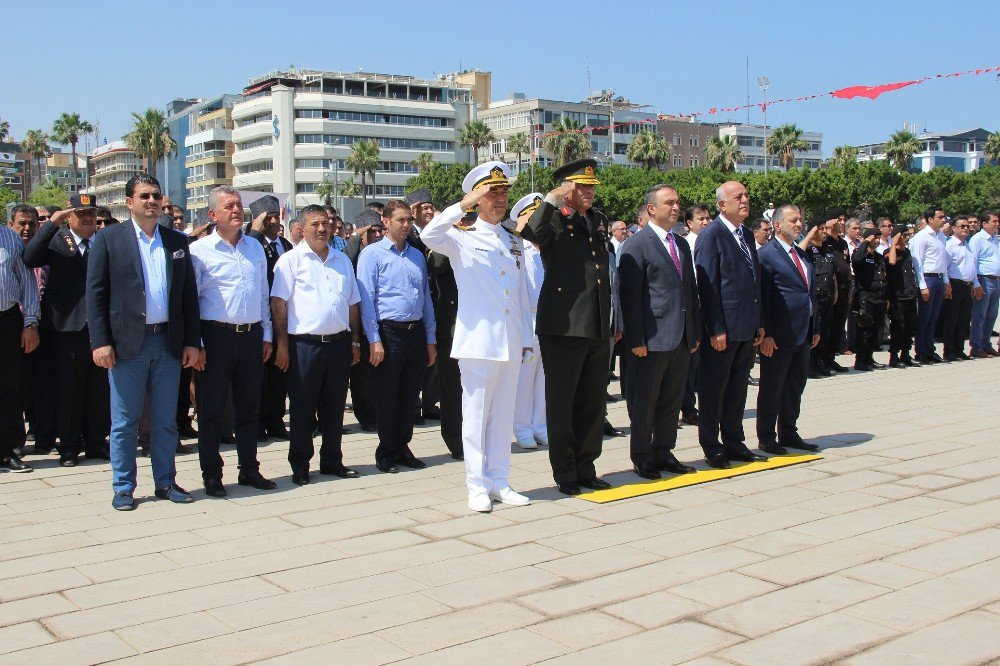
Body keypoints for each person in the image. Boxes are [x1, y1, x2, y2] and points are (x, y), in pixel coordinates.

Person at [421, 163, 533, 512]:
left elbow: (521, 294)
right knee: (476, 415)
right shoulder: (460, 235)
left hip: (511, 340)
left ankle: (499, 480)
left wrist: (526, 337)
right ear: (478, 197)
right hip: (478, 342)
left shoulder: (513, 239)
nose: (499, 198)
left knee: (502, 416)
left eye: (503, 191)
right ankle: (476, 485)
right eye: (492, 191)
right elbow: (428, 236)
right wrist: (463, 204)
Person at [86, 174, 201, 510]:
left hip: (167, 342)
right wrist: (100, 341)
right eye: (145, 196)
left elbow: (188, 297)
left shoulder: (176, 241)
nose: (152, 201)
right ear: (129, 202)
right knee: (125, 422)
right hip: (126, 346)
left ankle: (166, 482)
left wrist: (191, 341)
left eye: (156, 196)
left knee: (166, 421)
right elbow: (95, 294)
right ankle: (123, 486)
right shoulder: (108, 239)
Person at [520, 158, 613, 496]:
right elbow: (531, 233)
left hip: (598, 323)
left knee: (592, 403)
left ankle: (587, 466)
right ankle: (566, 472)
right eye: (581, 187)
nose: (588, 192)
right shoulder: (554, 219)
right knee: (562, 403)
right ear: (567, 188)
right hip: (563, 325)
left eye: (591, 186)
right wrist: (551, 198)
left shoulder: (597, 219)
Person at [189, 186, 277, 497]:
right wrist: (197, 343)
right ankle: (212, 474)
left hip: (251, 336)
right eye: (229, 206)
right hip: (215, 337)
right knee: (212, 410)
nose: (237, 210)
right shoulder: (200, 251)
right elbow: (193, 302)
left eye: (239, 204)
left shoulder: (254, 249)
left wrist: (266, 334)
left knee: (249, 408)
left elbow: (263, 296)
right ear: (213, 215)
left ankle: (249, 469)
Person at [270, 205, 361, 485]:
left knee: (334, 406)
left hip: (338, 343)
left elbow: (353, 303)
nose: (322, 229)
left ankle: (332, 461)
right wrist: (282, 344)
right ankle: (300, 465)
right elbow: (278, 305)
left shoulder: (342, 260)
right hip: (304, 346)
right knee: (302, 408)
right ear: (301, 228)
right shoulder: (290, 261)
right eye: (315, 224)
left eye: (326, 223)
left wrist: (355, 340)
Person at [618, 184, 700, 480]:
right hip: (651, 339)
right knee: (645, 400)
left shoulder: (681, 244)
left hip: (680, 337)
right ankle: (642, 455)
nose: (676, 208)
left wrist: (694, 332)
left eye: (678, 202)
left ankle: (664, 450)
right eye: (669, 203)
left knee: (671, 399)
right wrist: (636, 339)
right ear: (651, 209)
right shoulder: (637, 244)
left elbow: (688, 291)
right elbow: (630, 295)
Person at [22, 194, 110, 466]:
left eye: (91, 213)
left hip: (99, 327)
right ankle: (69, 447)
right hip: (65, 328)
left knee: (98, 391)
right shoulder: (58, 240)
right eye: (80, 213)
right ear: (69, 216)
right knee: (68, 391)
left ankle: (96, 443)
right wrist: (52, 223)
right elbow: (30, 257)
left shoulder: (104, 240)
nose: (87, 218)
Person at [356, 200, 436, 474]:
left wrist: (430, 338)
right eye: (401, 220)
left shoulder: (416, 255)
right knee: (386, 395)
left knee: (409, 395)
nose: (406, 225)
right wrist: (373, 339)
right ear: (386, 222)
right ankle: (386, 450)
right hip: (388, 333)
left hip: (415, 333)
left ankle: (402, 446)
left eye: (409, 220)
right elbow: (367, 299)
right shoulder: (372, 255)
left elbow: (425, 299)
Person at [693, 181, 767, 469]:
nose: (745, 200)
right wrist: (716, 327)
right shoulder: (711, 235)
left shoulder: (746, 235)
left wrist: (758, 321)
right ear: (722, 204)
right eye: (738, 197)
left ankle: (735, 441)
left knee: (738, 388)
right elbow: (707, 284)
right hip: (722, 328)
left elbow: (753, 280)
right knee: (714, 390)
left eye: (746, 195)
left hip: (745, 325)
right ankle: (712, 446)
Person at [756, 205, 821, 454]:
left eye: (800, 220)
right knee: (772, 387)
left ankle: (788, 431)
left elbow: (808, 291)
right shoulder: (766, 255)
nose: (799, 224)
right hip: (779, 335)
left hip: (803, 333)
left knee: (795, 385)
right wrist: (767, 333)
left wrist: (815, 326)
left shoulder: (800, 254)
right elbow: (763, 297)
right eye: (793, 220)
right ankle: (766, 436)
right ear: (777, 225)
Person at [246, 195, 292, 442]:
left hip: (282, 319)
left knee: (279, 375)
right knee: (259, 378)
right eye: (269, 217)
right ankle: (258, 423)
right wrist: (255, 229)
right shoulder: (251, 242)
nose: (274, 221)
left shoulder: (285, 244)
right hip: (260, 317)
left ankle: (275, 421)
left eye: (277, 215)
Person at [0, 206, 40, 473]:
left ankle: (7, 451)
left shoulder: (10, 238)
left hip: (6, 320)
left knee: (7, 389)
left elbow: (27, 283)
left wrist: (30, 323)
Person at [424, 201, 464, 460]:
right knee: (452, 390)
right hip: (450, 325)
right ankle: (456, 440)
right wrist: (450, 228)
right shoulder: (445, 241)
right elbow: (437, 264)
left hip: (475, 323)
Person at [510, 194, 548, 452]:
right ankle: (522, 428)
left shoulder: (547, 247)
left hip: (547, 319)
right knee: (524, 380)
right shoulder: (517, 250)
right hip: (526, 318)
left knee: (544, 379)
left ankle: (541, 426)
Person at [344, 209, 384, 432]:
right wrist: (357, 237)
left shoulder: (383, 252)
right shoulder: (353, 254)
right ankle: (366, 416)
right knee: (362, 377)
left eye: (380, 230)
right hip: (357, 324)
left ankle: (379, 413)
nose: (377, 235)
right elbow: (345, 260)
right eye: (372, 231)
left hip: (380, 323)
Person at [405, 188, 440, 425]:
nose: (428, 210)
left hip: (438, 300)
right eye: (423, 207)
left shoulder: (439, 232)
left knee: (434, 356)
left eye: (430, 206)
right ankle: (414, 405)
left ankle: (430, 402)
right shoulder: (410, 235)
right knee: (417, 359)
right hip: (417, 301)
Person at [909, 206, 952, 364]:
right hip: (928, 279)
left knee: (934, 318)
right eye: (940, 217)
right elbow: (917, 262)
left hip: (939, 278)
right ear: (930, 219)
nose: (943, 220)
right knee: (925, 318)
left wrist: (946, 281)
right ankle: (921, 351)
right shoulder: (922, 237)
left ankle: (929, 349)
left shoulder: (941, 236)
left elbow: (943, 261)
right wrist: (922, 285)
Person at [799, 220, 838, 378]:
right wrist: (809, 235)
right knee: (813, 334)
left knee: (825, 333)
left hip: (828, 297)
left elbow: (832, 272)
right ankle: (810, 366)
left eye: (826, 229)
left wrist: (835, 291)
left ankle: (820, 362)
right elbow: (798, 252)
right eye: (821, 229)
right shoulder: (808, 248)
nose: (824, 232)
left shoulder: (827, 249)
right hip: (815, 297)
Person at [852, 228, 889, 371]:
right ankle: (861, 360)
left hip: (879, 297)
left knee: (876, 331)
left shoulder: (879, 257)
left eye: (879, 237)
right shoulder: (861, 254)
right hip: (866, 297)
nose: (877, 240)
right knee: (864, 330)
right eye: (875, 237)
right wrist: (866, 242)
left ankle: (869, 358)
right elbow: (856, 260)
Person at [819, 210, 852, 372]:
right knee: (828, 327)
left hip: (845, 288)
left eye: (844, 220)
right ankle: (822, 359)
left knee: (839, 326)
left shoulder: (843, 243)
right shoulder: (826, 241)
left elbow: (848, 265)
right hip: (832, 290)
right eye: (839, 219)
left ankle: (831, 357)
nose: (842, 222)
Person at [941, 216, 976, 361]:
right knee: (951, 319)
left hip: (967, 286)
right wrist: (947, 284)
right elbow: (944, 267)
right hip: (954, 285)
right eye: (962, 226)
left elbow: (971, 266)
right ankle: (949, 351)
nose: (966, 228)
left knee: (963, 320)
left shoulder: (967, 245)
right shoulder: (950, 245)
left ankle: (959, 349)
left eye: (967, 226)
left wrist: (974, 283)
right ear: (954, 228)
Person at [885, 225, 921, 368]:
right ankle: (894, 357)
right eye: (903, 235)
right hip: (897, 296)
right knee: (898, 327)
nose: (907, 238)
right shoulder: (889, 252)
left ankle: (905, 354)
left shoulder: (907, 252)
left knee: (910, 327)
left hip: (910, 294)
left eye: (908, 235)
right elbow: (892, 262)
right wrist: (893, 243)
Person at [969, 211, 999, 357]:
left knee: (992, 314)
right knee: (980, 314)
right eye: (994, 221)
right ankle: (976, 346)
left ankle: (985, 343)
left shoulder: (995, 239)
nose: (997, 224)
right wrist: (976, 283)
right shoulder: (977, 239)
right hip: (983, 279)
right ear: (984, 224)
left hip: (996, 280)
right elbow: (973, 261)